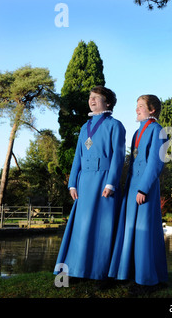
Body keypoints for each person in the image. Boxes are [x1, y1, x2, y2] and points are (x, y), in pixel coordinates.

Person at [54, 86, 126, 283]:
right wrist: (72, 184)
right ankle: (76, 271)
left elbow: (118, 158)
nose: (92, 101)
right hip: (84, 183)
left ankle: (101, 274)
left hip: (104, 181)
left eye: (96, 98)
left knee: (102, 229)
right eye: (90, 98)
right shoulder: (85, 127)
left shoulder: (115, 126)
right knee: (81, 228)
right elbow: (78, 156)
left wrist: (111, 183)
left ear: (108, 102)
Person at [108, 94, 168, 293]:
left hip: (145, 188)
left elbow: (156, 163)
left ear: (152, 110)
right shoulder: (137, 132)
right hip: (132, 186)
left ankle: (147, 281)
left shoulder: (158, 130)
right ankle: (130, 274)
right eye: (136, 106)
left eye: (141, 106)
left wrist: (143, 188)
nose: (136, 109)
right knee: (130, 230)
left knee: (144, 233)